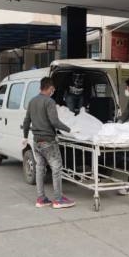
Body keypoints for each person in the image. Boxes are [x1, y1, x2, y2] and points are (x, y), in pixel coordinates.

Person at [23, 77, 76, 209]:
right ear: (50, 88)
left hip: (36, 141)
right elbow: (54, 122)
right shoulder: (49, 101)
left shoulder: (32, 101)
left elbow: (26, 121)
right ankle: (58, 200)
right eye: (53, 89)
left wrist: (24, 137)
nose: (53, 91)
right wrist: (70, 129)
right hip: (48, 141)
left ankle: (41, 199)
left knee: (40, 169)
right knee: (56, 168)